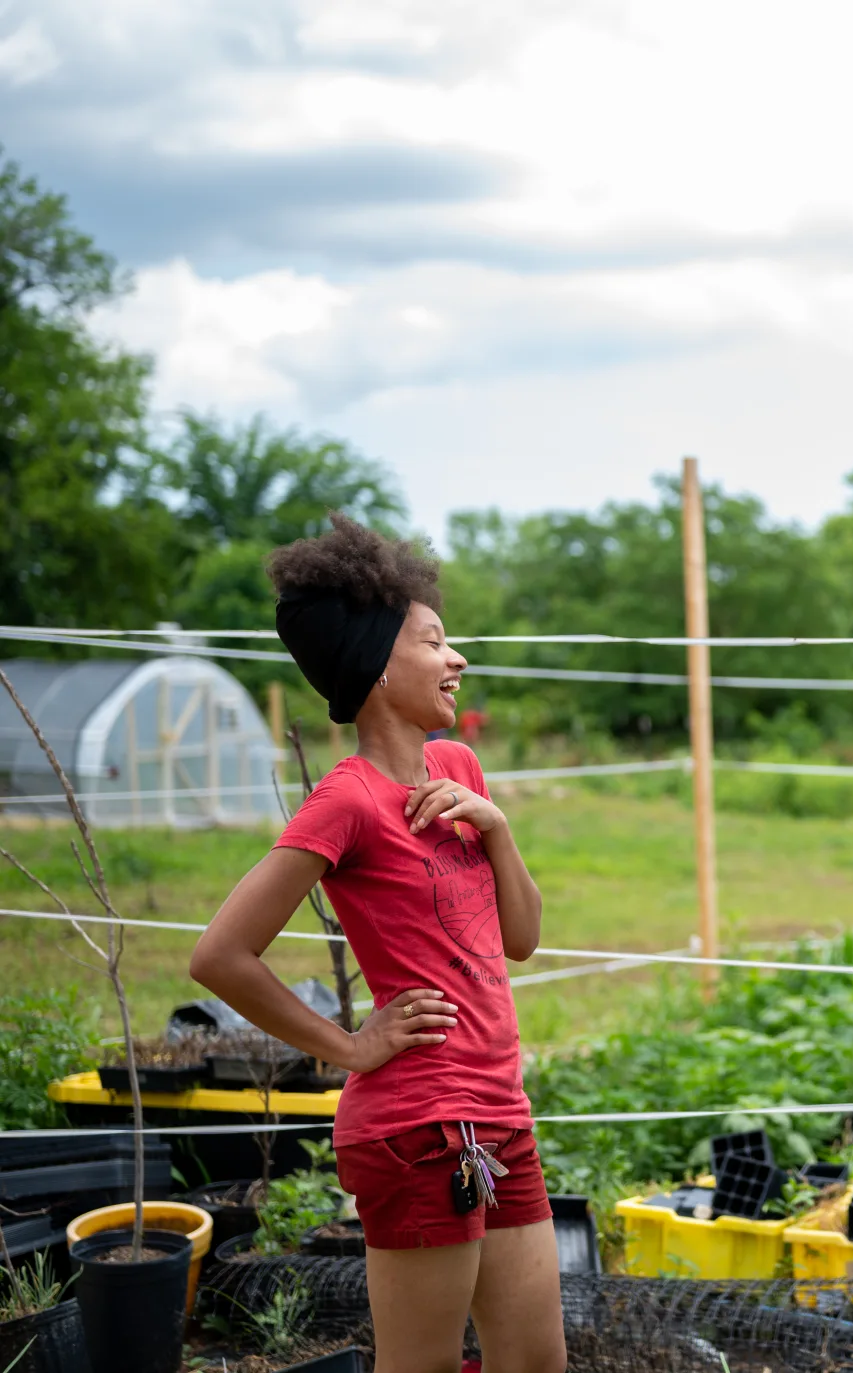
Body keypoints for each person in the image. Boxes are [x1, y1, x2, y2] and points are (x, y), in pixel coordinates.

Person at [191, 515, 565, 1373]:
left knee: (535, 1361)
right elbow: (219, 955)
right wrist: (351, 1046)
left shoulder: (459, 769)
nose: (456, 658)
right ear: (378, 664)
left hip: (499, 1110)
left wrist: (499, 831)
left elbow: (524, 939)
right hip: (416, 1128)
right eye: (435, 641)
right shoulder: (348, 800)